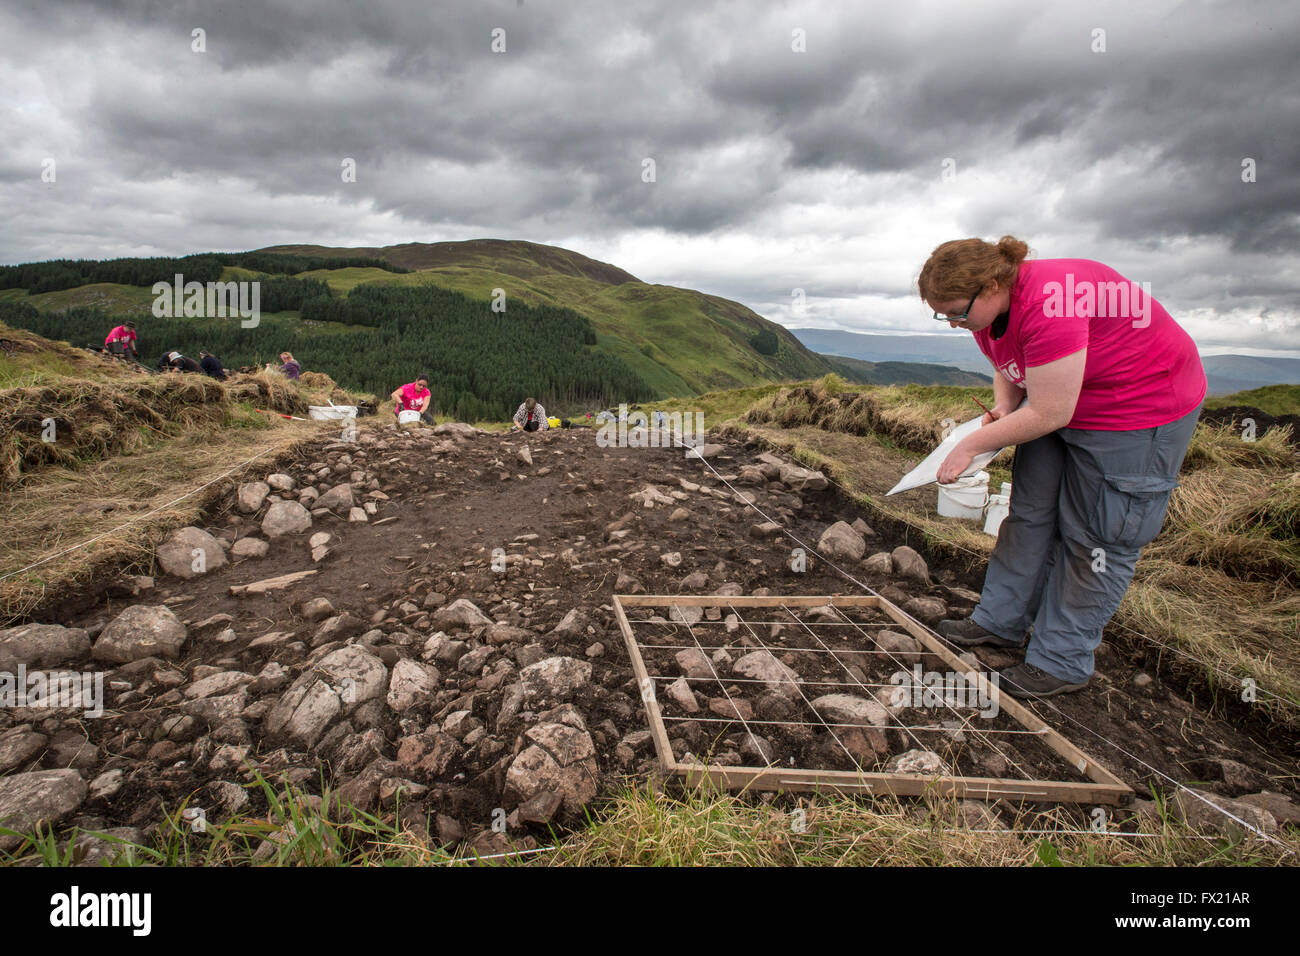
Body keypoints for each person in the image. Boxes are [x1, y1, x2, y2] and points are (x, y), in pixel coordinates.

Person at [917, 235, 1206, 699]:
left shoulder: (1052, 302)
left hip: (1136, 408)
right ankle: (1000, 621)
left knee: (1096, 535)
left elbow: (1051, 413)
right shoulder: (987, 308)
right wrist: (1003, 409)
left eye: (954, 312)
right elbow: (1008, 360)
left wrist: (970, 444)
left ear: (992, 285)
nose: (952, 323)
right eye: (942, 314)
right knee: (1030, 513)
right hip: (1060, 398)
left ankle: (1061, 661)